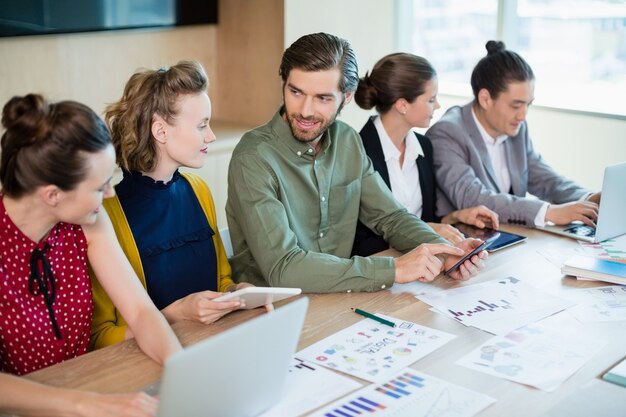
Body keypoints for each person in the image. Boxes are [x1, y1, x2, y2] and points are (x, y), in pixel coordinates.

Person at [226, 32, 488, 293]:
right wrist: (393, 269)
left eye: (323, 98)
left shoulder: (348, 141)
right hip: (273, 309)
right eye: (296, 92)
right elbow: (283, 268)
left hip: (340, 297)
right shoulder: (254, 157)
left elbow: (391, 217)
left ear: (347, 96)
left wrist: (446, 251)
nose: (305, 110)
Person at [0, 94, 181, 416]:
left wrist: (181, 369)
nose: (110, 194)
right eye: (99, 187)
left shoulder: (88, 218)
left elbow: (140, 311)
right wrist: (85, 405)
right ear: (52, 195)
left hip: (90, 384)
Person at [90, 61, 251, 350]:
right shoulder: (107, 215)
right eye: (202, 125)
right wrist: (174, 316)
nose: (211, 135)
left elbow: (221, 280)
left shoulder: (198, 190)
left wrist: (236, 293)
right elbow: (100, 338)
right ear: (161, 132)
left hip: (214, 349)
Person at [427, 41, 600, 228]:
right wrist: (549, 212)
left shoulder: (515, 128)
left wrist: (590, 199)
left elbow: (544, 179)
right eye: (516, 105)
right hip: (465, 243)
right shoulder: (447, 134)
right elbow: (474, 198)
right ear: (485, 99)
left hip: (511, 237)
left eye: (528, 105)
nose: (523, 115)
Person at [351, 53, 499, 256]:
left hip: (426, 268)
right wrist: (424, 232)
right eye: (431, 99)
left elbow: (425, 219)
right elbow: (358, 243)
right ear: (402, 105)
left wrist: (455, 217)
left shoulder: (424, 147)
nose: (437, 105)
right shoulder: (357, 153)